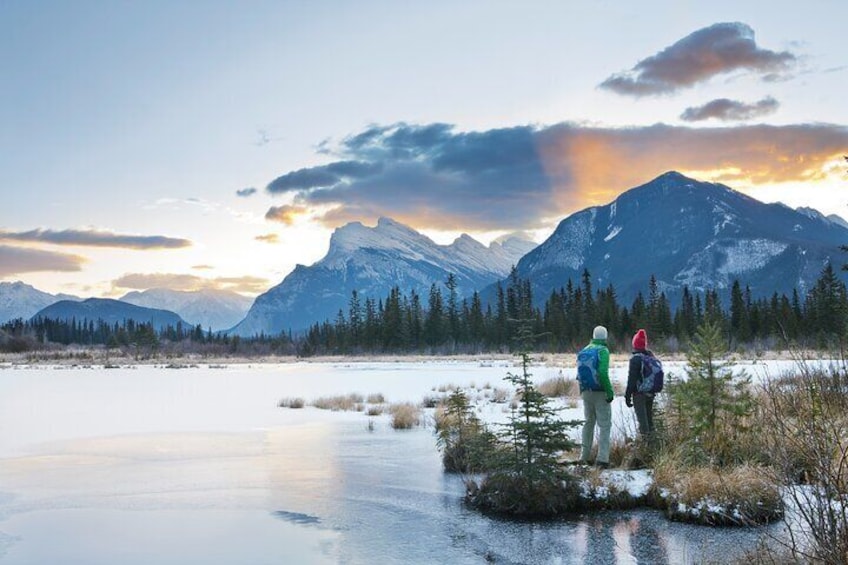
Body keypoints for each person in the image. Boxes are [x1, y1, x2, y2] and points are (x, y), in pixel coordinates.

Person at [579, 325, 614, 468]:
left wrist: (582, 390)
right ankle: (602, 459)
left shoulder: (585, 350)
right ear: (605, 336)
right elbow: (602, 373)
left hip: (586, 391)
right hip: (600, 392)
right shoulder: (603, 351)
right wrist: (609, 391)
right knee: (605, 425)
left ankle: (584, 456)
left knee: (588, 423)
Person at [625, 328, 655, 439]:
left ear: (635, 344)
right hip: (650, 393)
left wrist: (627, 395)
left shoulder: (635, 359)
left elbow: (631, 380)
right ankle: (653, 444)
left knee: (643, 423)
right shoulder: (651, 356)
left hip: (639, 394)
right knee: (649, 420)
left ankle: (646, 448)